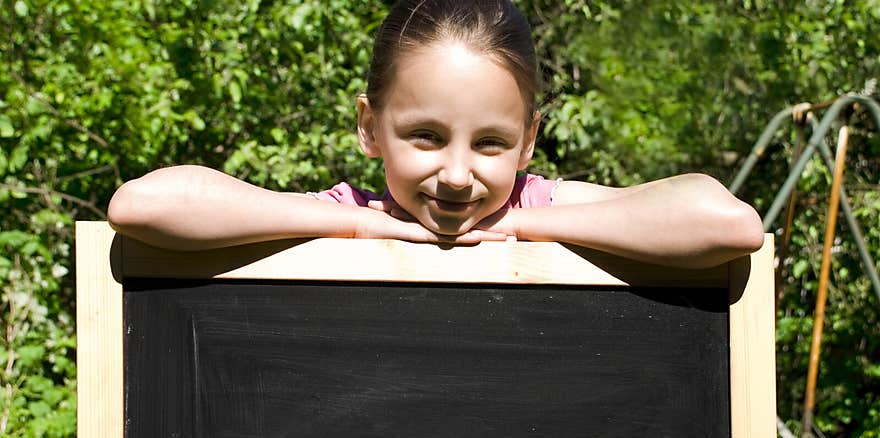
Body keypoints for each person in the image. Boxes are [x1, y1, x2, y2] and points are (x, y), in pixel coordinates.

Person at [107, 0, 764, 269]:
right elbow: (141, 206)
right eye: (425, 135)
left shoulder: (539, 207)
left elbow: (730, 225)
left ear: (528, 141)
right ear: (369, 127)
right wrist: (359, 227)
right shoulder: (348, 217)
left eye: (489, 143)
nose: (457, 174)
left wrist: (528, 227)